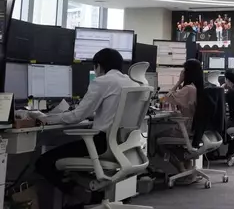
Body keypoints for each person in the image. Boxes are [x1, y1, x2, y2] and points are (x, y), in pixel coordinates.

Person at [35, 48, 139, 208]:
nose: (95, 72)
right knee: (69, 158)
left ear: (99, 66)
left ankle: (82, 196)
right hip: (123, 146)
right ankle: (92, 196)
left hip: (101, 144)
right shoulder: (132, 83)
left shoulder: (102, 81)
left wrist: (46, 118)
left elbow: (77, 116)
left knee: (43, 162)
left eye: (94, 68)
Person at [156, 59, 203, 182]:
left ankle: (181, 170)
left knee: (157, 140)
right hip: (195, 128)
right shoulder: (198, 87)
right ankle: (187, 169)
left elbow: (167, 98)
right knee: (174, 142)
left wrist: (178, 82)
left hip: (186, 128)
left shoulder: (188, 89)